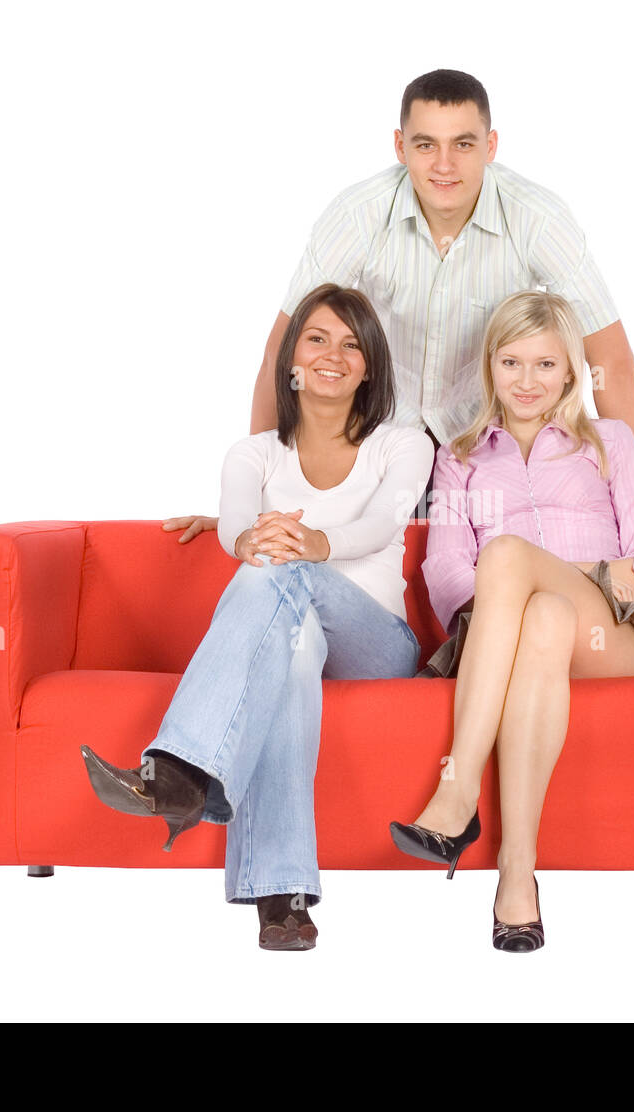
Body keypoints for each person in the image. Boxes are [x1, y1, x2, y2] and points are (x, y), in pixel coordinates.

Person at [163, 68, 634, 545]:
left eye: (464, 144)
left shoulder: (538, 217)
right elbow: (283, 356)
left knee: (512, 563)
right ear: (399, 146)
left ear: (492, 146)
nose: (444, 165)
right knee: (357, 555)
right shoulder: (358, 215)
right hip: (380, 434)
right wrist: (260, 498)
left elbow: (610, 361)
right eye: (425, 144)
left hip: (487, 439)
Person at [80, 284, 434, 950]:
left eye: (353, 345)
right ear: (292, 359)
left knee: (282, 573)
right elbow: (240, 521)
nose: (334, 355)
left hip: (377, 642)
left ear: (371, 367)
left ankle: (180, 772)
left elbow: (386, 519)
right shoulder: (254, 454)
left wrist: (313, 546)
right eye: (318, 339)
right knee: (291, 646)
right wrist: (246, 542)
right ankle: (282, 897)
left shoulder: (403, 444)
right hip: (296, 632)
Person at [387, 290, 634, 952]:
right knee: (542, 617)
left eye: (545, 365)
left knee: (512, 561)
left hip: (613, 632)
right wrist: (524, 596)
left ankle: (457, 790)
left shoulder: (608, 441)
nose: (526, 382)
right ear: (489, 368)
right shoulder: (460, 457)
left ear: (569, 372)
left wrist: (555, 570)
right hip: (520, 629)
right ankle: (516, 879)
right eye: (511, 363)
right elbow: (445, 575)